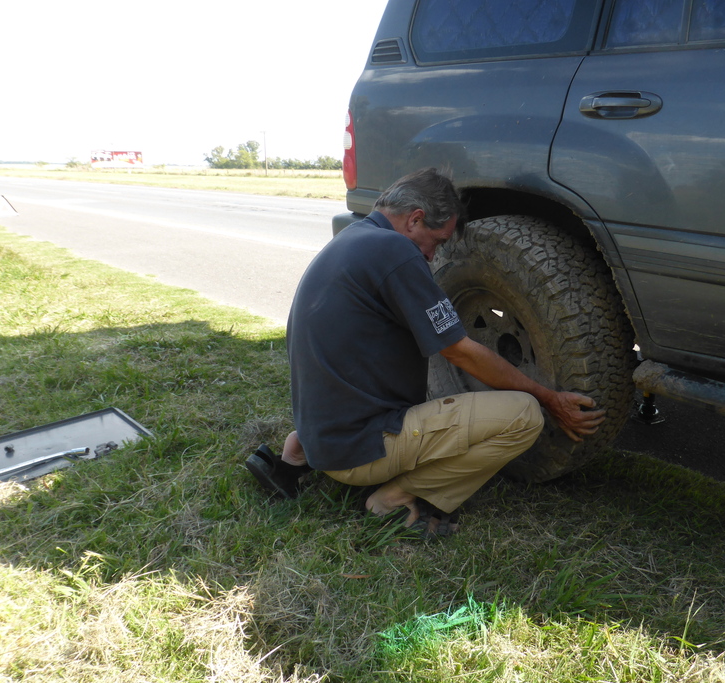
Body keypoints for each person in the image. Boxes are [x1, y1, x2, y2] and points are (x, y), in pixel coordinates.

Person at [245, 167, 605, 537]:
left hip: (323, 433)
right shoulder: (395, 250)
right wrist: (549, 397)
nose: (434, 256)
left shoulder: (353, 239)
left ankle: (296, 453)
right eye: (437, 241)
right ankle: (392, 499)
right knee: (525, 415)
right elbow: (460, 352)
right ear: (415, 219)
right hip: (357, 449)